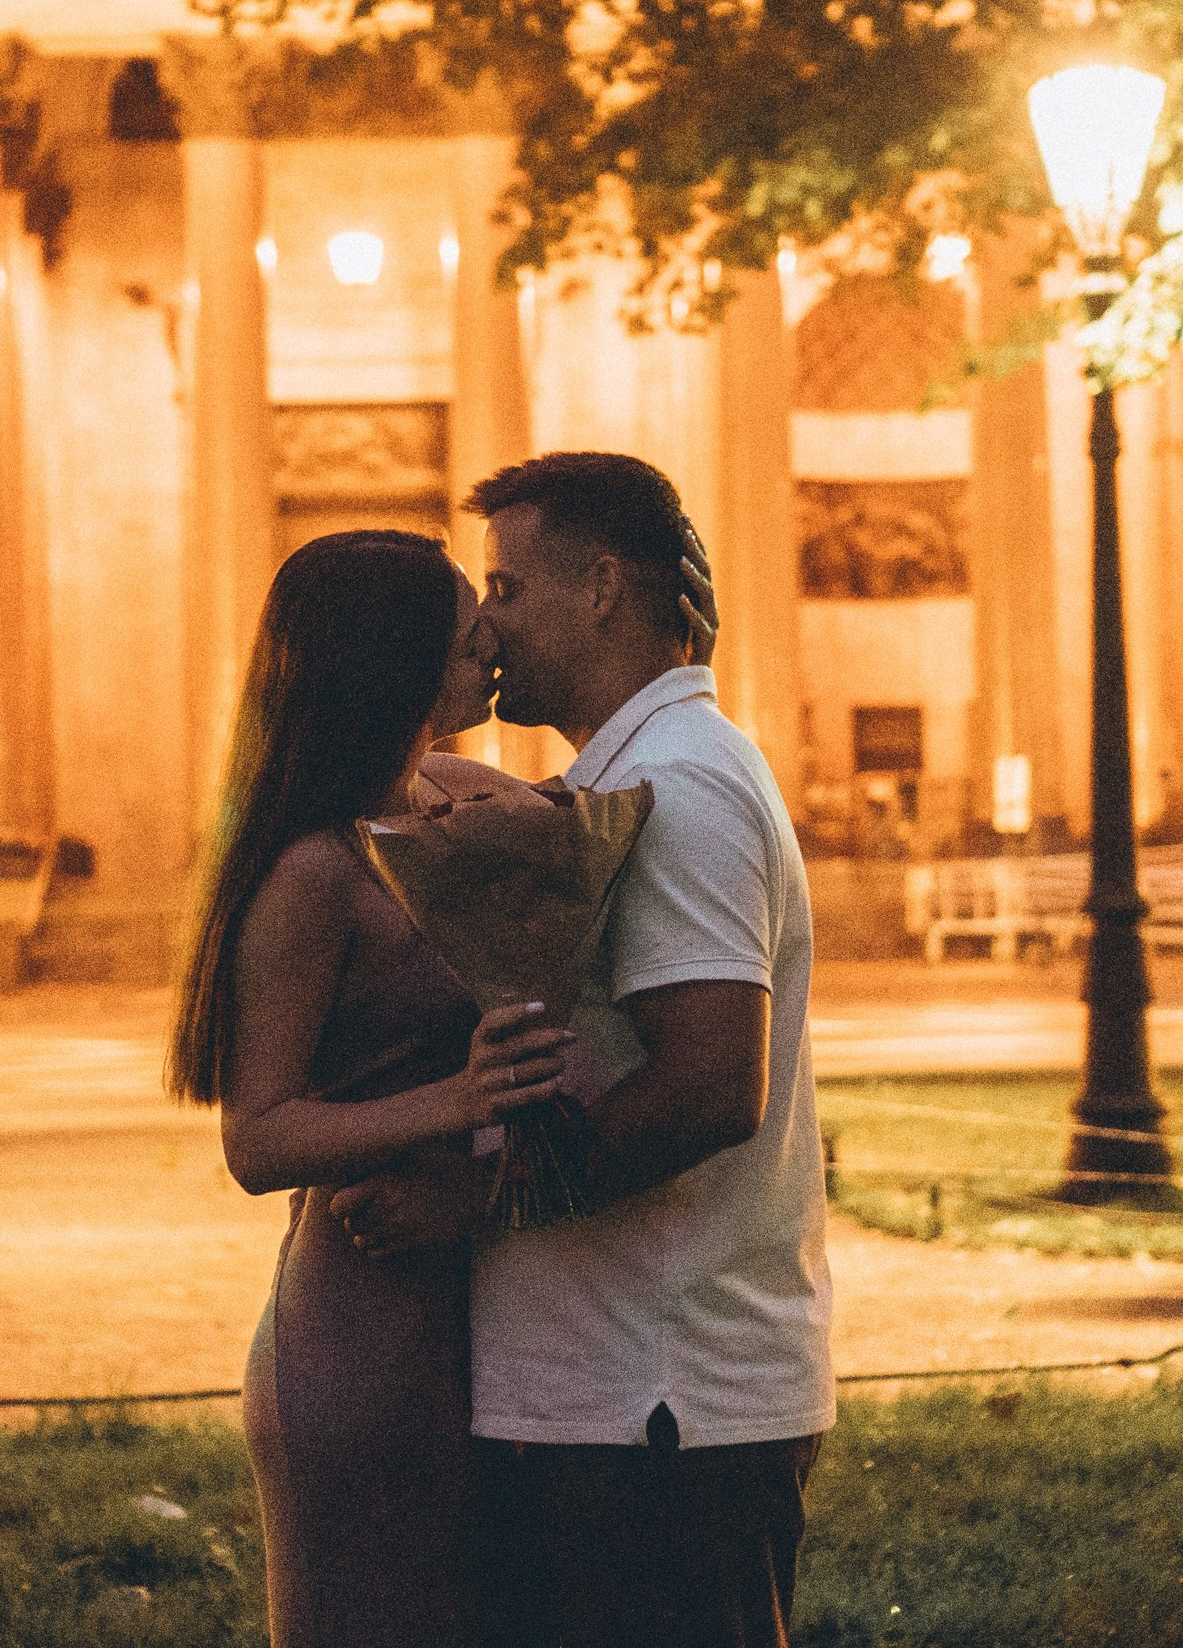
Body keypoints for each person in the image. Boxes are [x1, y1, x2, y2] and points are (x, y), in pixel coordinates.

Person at [332, 452, 836, 1648]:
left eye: (505, 589)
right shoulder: (621, 776)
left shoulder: (682, 786)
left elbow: (710, 1084)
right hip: (615, 1393)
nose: (488, 623)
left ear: (602, 586)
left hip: (659, 1399)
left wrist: (473, 1202)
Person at [167, 529, 576, 1648]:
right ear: (388, 664)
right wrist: (460, 1100)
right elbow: (257, 1139)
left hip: (473, 1305)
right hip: (361, 1329)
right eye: (461, 634)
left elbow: (597, 829)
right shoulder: (312, 873)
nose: (489, 639)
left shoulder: (450, 794)